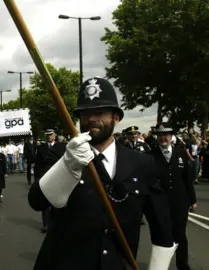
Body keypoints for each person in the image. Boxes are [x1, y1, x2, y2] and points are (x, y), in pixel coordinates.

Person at [28, 77, 176, 269]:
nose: (91, 119)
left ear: (116, 117)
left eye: (100, 112)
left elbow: (161, 222)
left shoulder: (141, 162)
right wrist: (68, 164)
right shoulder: (61, 153)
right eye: (85, 114)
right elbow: (37, 201)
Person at [151, 123, 196, 270]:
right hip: (160, 202)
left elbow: (187, 179)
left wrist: (192, 200)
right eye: (160, 135)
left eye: (166, 135)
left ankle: (182, 265)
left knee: (180, 234)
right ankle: (161, 266)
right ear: (157, 137)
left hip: (179, 202)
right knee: (162, 235)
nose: (163, 138)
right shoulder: (150, 155)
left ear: (171, 137)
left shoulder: (181, 153)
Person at [34, 128, 58, 233]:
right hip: (45, 177)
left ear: (55, 135)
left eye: (51, 135)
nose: (49, 137)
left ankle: (55, 223)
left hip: (58, 177)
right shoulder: (41, 148)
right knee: (45, 203)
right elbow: (37, 164)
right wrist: (37, 179)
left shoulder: (60, 147)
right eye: (47, 135)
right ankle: (45, 224)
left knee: (57, 203)